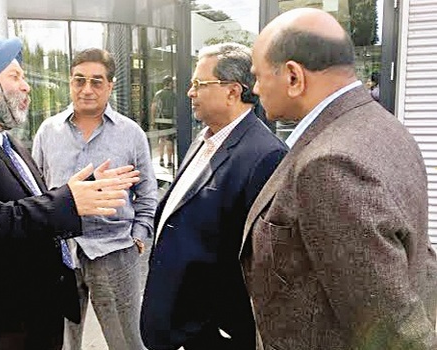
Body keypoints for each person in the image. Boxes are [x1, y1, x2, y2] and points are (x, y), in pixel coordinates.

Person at [0, 39, 138, 350]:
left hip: (23, 323)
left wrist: (73, 190)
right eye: (15, 76)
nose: (26, 86)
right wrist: (68, 201)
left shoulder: (8, 143)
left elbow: (24, 204)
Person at [240, 8, 437, 349]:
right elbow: (418, 256)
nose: (255, 88)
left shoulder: (330, 163)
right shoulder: (385, 126)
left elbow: (390, 331)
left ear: (292, 77)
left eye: (257, 75)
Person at [140, 43, 288, 350]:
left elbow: (258, 262)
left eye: (198, 84)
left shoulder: (264, 155)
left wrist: (215, 330)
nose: (190, 93)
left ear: (233, 91)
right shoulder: (205, 138)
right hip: (176, 319)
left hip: (208, 332)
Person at [33, 48, 157, 350]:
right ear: (70, 82)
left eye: (97, 81)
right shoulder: (48, 132)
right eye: (79, 80)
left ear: (110, 85)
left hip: (115, 251)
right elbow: (35, 190)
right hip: (61, 253)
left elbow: (147, 192)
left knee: (128, 342)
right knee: (59, 341)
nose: (87, 89)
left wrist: (139, 235)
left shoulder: (131, 134)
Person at [150, 75, 176, 168]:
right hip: (170, 120)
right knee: (169, 141)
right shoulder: (173, 94)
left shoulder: (158, 93)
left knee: (161, 140)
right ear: (170, 83)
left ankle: (161, 159)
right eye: (172, 82)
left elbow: (153, 107)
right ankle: (169, 161)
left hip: (160, 120)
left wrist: (153, 120)